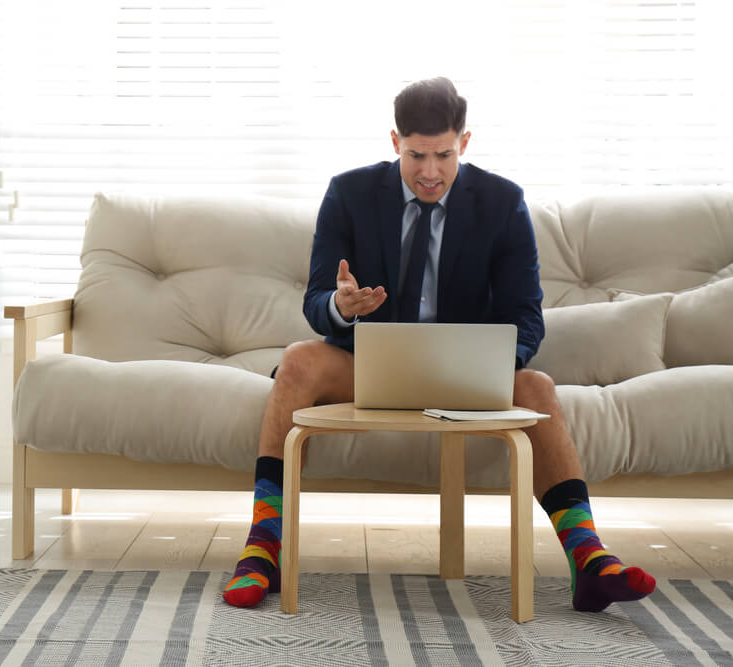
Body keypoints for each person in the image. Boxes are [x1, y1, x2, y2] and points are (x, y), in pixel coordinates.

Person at [222, 77, 656, 613]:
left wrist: (491, 365)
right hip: (368, 361)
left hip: (466, 372)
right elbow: (316, 299)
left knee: (537, 386)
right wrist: (341, 308)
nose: (430, 172)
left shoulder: (503, 203)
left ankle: (589, 557)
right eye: (416, 155)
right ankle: (263, 547)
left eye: (444, 155)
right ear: (394, 142)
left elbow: (526, 315)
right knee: (296, 361)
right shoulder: (348, 193)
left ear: (465, 143)